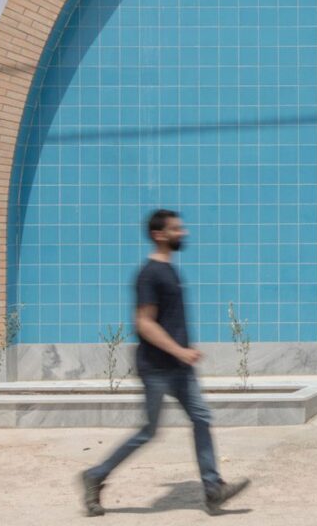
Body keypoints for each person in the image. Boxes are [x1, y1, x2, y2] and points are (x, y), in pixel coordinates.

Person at [80, 209, 250, 515]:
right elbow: (144, 323)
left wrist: (183, 354)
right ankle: (95, 476)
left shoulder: (170, 270)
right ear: (160, 235)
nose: (182, 233)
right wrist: (179, 350)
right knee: (149, 431)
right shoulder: (150, 274)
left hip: (178, 367)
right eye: (176, 229)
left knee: (201, 418)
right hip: (157, 368)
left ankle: (213, 489)